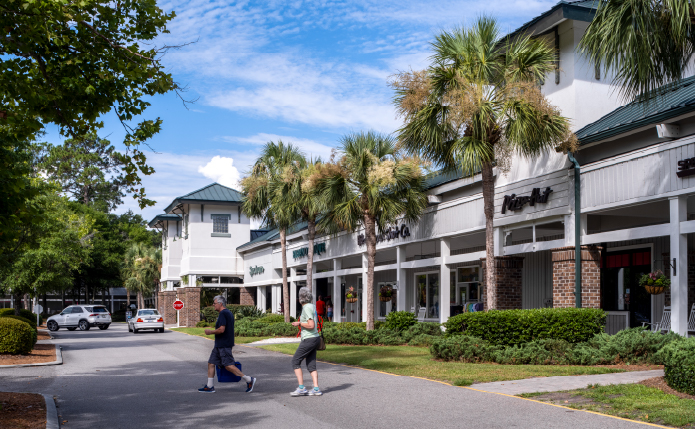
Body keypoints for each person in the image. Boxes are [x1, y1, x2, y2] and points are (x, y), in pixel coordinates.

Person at [198, 295, 257, 393]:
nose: (213, 305)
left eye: (215, 303)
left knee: (229, 366)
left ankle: (249, 380)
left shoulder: (223, 314)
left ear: (220, 304)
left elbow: (221, 330)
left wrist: (210, 332)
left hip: (224, 345)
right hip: (219, 345)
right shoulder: (228, 313)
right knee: (211, 363)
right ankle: (209, 386)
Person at [290, 287, 322, 396]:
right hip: (315, 338)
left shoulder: (307, 308)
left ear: (300, 298)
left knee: (295, 361)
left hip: (309, 338)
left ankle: (301, 388)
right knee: (311, 364)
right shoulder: (312, 306)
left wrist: (299, 323)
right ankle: (316, 388)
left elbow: (311, 325)